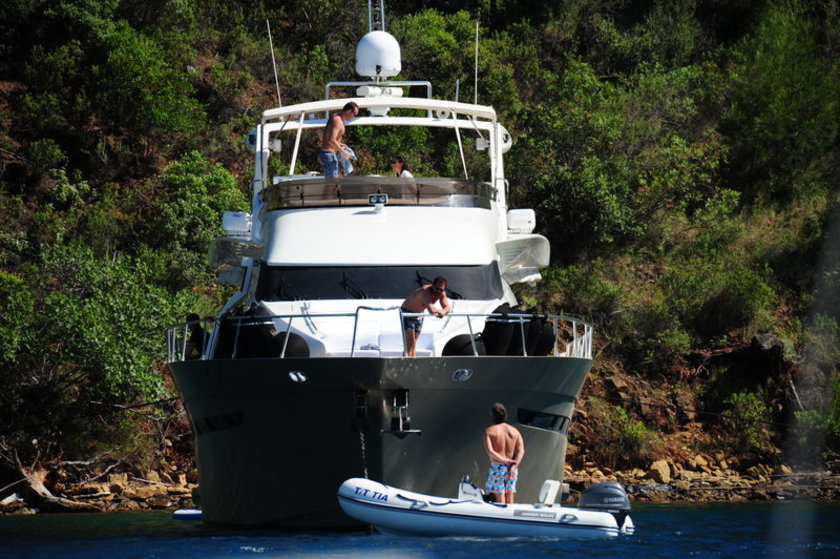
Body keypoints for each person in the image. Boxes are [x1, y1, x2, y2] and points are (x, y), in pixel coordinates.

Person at [483, 402, 525, 504]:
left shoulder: (489, 431)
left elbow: (490, 451)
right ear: (505, 415)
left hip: (497, 467)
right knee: (510, 497)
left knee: (499, 499)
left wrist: (505, 461)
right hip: (512, 468)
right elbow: (521, 451)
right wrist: (514, 465)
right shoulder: (515, 431)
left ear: (492, 415)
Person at [400, 276, 452, 357]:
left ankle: (411, 361)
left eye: (441, 290)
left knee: (414, 342)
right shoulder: (425, 291)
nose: (438, 291)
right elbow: (431, 310)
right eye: (437, 288)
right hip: (407, 312)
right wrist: (441, 311)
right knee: (410, 342)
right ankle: (407, 362)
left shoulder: (441, 293)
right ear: (433, 285)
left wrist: (443, 311)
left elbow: (448, 308)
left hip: (419, 314)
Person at [319, 102, 360, 178]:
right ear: (348, 111)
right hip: (328, 154)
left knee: (338, 178)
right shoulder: (337, 120)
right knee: (332, 182)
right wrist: (344, 152)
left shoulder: (338, 118)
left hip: (331, 154)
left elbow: (329, 137)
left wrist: (340, 144)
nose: (354, 117)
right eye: (354, 114)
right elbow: (331, 140)